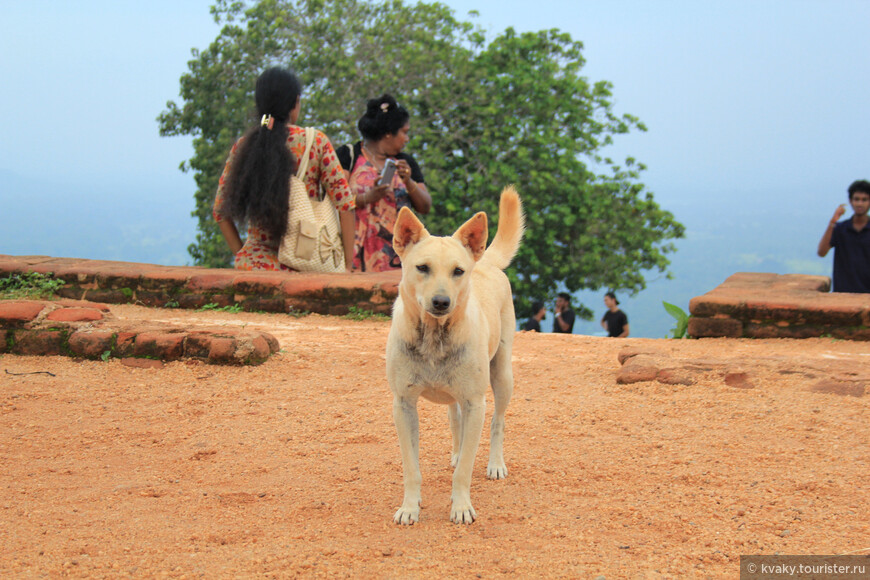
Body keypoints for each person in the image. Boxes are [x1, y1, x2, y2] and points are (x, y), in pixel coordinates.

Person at [213, 67, 355, 271]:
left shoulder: (245, 146)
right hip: (304, 262)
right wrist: (348, 265)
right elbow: (346, 205)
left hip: (255, 267)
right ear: (295, 103)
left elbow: (220, 211)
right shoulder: (315, 142)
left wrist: (243, 253)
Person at [337, 94, 431, 272]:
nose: (407, 138)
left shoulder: (405, 162)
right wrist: (367, 197)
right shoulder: (349, 155)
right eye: (404, 132)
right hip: (353, 257)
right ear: (389, 133)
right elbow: (335, 198)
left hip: (398, 260)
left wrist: (408, 181)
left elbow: (425, 206)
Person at [817, 179, 870, 293]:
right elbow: (822, 252)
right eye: (856, 199)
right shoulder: (840, 228)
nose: (860, 203)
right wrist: (833, 222)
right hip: (843, 294)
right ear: (850, 201)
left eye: (864, 200)